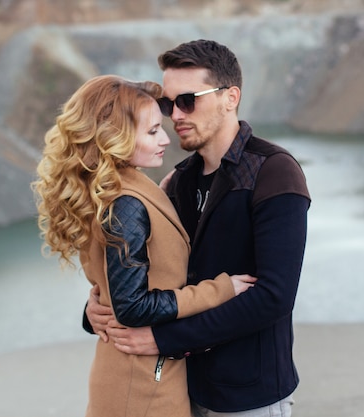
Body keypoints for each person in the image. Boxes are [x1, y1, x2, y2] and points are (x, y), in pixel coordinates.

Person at [85, 40, 311, 416]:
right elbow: (149, 274)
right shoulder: (177, 182)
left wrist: (164, 340)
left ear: (230, 97)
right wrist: (94, 311)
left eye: (188, 100)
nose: (175, 115)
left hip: (247, 396)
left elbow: (274, 296)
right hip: (181, 390)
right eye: (167, 104)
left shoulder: (274, 171)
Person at [31, 74, 256, 417]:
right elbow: (132, 308)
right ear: (114, 138)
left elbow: (119, 285)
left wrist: (96, 309)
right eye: (152, 132)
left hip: (134, 374)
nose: (166, 138)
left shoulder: (116, 190)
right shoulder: (125, 202)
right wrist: (222, 289)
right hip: (141, 387)